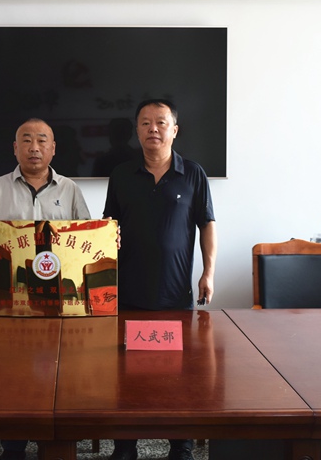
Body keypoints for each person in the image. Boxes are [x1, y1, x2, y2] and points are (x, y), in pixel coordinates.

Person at [0, 117, 90, 460]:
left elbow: (88, 235)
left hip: (59, 302)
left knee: (59, 372)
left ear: (53, 148)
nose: (34, 147)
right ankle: (13, 446)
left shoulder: (70, 190)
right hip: (10, 300)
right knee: (11, 372)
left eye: (42, 140)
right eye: (26, 140)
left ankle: (56, 443)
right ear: (15, 148)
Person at [102, 98, 217, 460]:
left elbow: (207, 225)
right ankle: (125, 446)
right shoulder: (121, 174)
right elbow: (108, 225)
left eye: (161, 122)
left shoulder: (193, 174)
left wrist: (208, 272)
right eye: (145, 122)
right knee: (127, 373)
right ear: (136, 130)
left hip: (175, 294)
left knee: (179, 373)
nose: (153, 128)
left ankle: (180, 446)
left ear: (174, 130)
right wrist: (108, 236)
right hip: (128, 292)